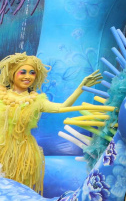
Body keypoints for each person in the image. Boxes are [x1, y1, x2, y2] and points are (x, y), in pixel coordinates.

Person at [0, 53, 106, 193]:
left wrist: (81, 87)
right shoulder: (2, 95)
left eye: (32, 73)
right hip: (2, 148)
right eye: (23, 72)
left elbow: (62, 107)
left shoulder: (37, 100)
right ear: (12, 73)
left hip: (23, 153)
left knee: (17, 190)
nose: (28, 76)